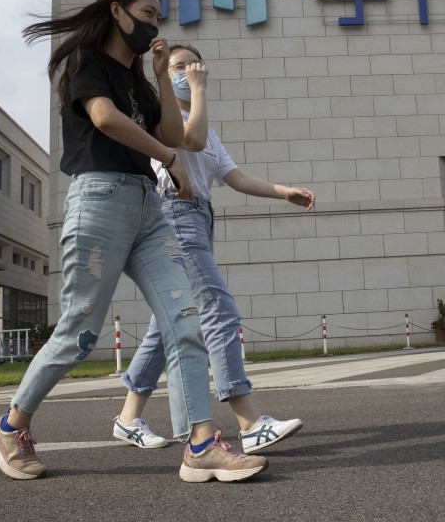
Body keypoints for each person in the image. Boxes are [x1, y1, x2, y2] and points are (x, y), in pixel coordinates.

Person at [0, 0, 267, 483]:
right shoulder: (86, 63)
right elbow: (106, 119)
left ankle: (201, 445)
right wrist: (167, 159)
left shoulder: (138, 78)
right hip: (100, 200)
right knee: (78, 333)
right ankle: (10, 425)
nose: (155, 24)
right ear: (117, 11)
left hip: (147, 208)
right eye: (147, 13)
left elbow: (175, 134)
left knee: (186, 317)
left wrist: (160, 78)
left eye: (159, 17)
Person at [113, 43, 315, 454]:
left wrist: (283, 192)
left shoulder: (207, 126)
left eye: (192, 65)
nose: (187, 71)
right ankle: (248, 419)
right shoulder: (159, 116)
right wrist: (199, 92)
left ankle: (128, 417)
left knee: (169, 319)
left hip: (200, 218)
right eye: (178, 66)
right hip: (174, 213)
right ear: (163, 74)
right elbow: (189, 141)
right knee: (218, 309)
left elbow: (234, 177)